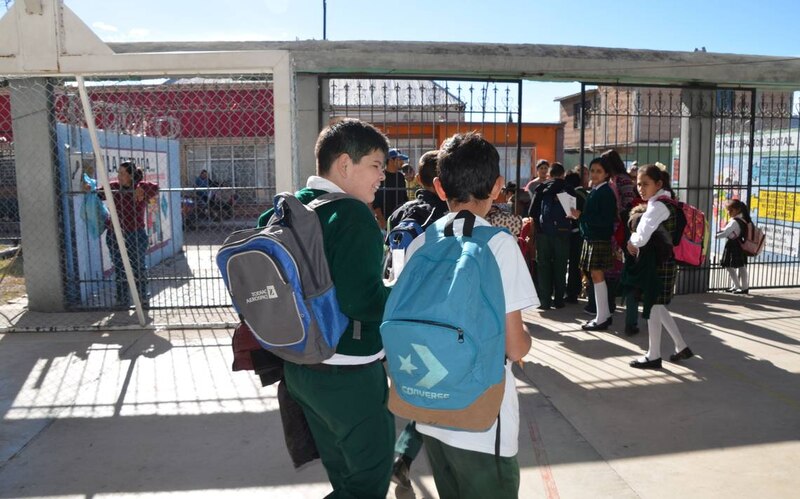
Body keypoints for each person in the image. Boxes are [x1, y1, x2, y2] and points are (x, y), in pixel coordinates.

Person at [256, 119, 395, 498]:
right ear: (346, 165)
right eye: (376, 165)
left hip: (299, 367)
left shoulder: (288, 207)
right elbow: (361, 300)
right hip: (347, 371)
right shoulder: (352, 215)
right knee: (368, 478)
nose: (382, 175)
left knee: (342, 473)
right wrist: (398, 295)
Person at [404, 132, 537, 499]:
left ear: (438, 187)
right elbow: (515, 346)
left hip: (431, 410)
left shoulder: (420, 242)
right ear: (497, 187)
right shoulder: (499, 244)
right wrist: (528, 342)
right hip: (481, 420)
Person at [385, 150, 450, 490]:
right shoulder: (447, 217)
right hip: (435, 318)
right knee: (436, 390)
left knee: (416, 385)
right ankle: (406, 456)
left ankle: (404, 455)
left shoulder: (401, 212)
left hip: (398, 314)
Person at [626, 164, 694, 369]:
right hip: (665, 263)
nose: (641, 188)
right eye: (638, 184)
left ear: (658, 184)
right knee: (656, 305)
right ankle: (680, 346)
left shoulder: (657, 207)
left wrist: (632, 241)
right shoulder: (667, 202)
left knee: (653, 307)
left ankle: (653, 355)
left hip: (658, 264)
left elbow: (642, 237)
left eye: (645, 184)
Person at [95, 161, 159, 307]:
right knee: (119, 267)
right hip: (115, 233)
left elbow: (156, 187)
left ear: (131, 175)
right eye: (118, 172)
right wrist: (88, 188)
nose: (119, 176)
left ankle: (142, 298)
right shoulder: (114, 188)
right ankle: (122, 300)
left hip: (135, 233)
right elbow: (98, 193)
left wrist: (142, 188)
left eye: (123, 173)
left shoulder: (140, 188)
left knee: (138, 267)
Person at [571, 157, 617, 331]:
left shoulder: (605, 192)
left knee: (597, 277)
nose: (595, 174)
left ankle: (602, 316)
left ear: (606, 174)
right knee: (596, 277)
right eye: (593, 171)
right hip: (593, 237)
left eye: (599, 171)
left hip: (598, 238)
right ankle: (603, 315)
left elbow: (604, 219)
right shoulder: (596, 190)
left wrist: (581, 216)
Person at [529, 162, 578, 309]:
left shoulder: (542, 188)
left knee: (543, 265)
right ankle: (559, 300)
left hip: (544, 233)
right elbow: (572, 212)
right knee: (561, 265)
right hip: (563, 233)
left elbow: (532, 212)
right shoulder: (569, 189)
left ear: (549, 175)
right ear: (563, 174)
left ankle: (544, 301)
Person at [716, 199, 751, 294]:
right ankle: (738, 286)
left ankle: (743, 287)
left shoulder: (735, 221)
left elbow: (726, 232)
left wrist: (715, 236)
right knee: (736, 266)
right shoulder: (741, 219)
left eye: (731, 210)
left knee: (739, 266)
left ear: (738, 210)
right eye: (728, 210)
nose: (728, 212)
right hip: (737, 243)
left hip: (734, 244)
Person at [564, 169, 587, 303]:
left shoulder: (574, 195)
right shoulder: (586, 193)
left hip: (576, 232)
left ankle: (572, 293)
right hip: (584, 232)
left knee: (574, 264)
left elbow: (572, 214)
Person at [373, 148, 409, 230]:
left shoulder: (400, 177)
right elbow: (376, 202)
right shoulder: (381, 176)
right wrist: (382, 220)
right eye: (399, 159)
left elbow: (404, 197)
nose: (402, 162)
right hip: (385, 221)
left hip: (400, 219)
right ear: (390, 160)